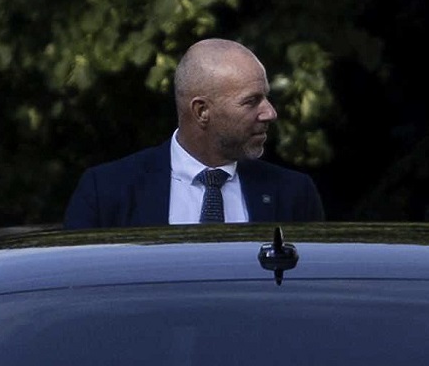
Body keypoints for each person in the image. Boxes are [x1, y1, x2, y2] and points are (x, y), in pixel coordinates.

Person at [63, 38, 325, 229]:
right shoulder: (108, 190)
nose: (270, 113)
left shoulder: (293, 194)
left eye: (266, 97)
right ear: (201, 111)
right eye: (251, 101)